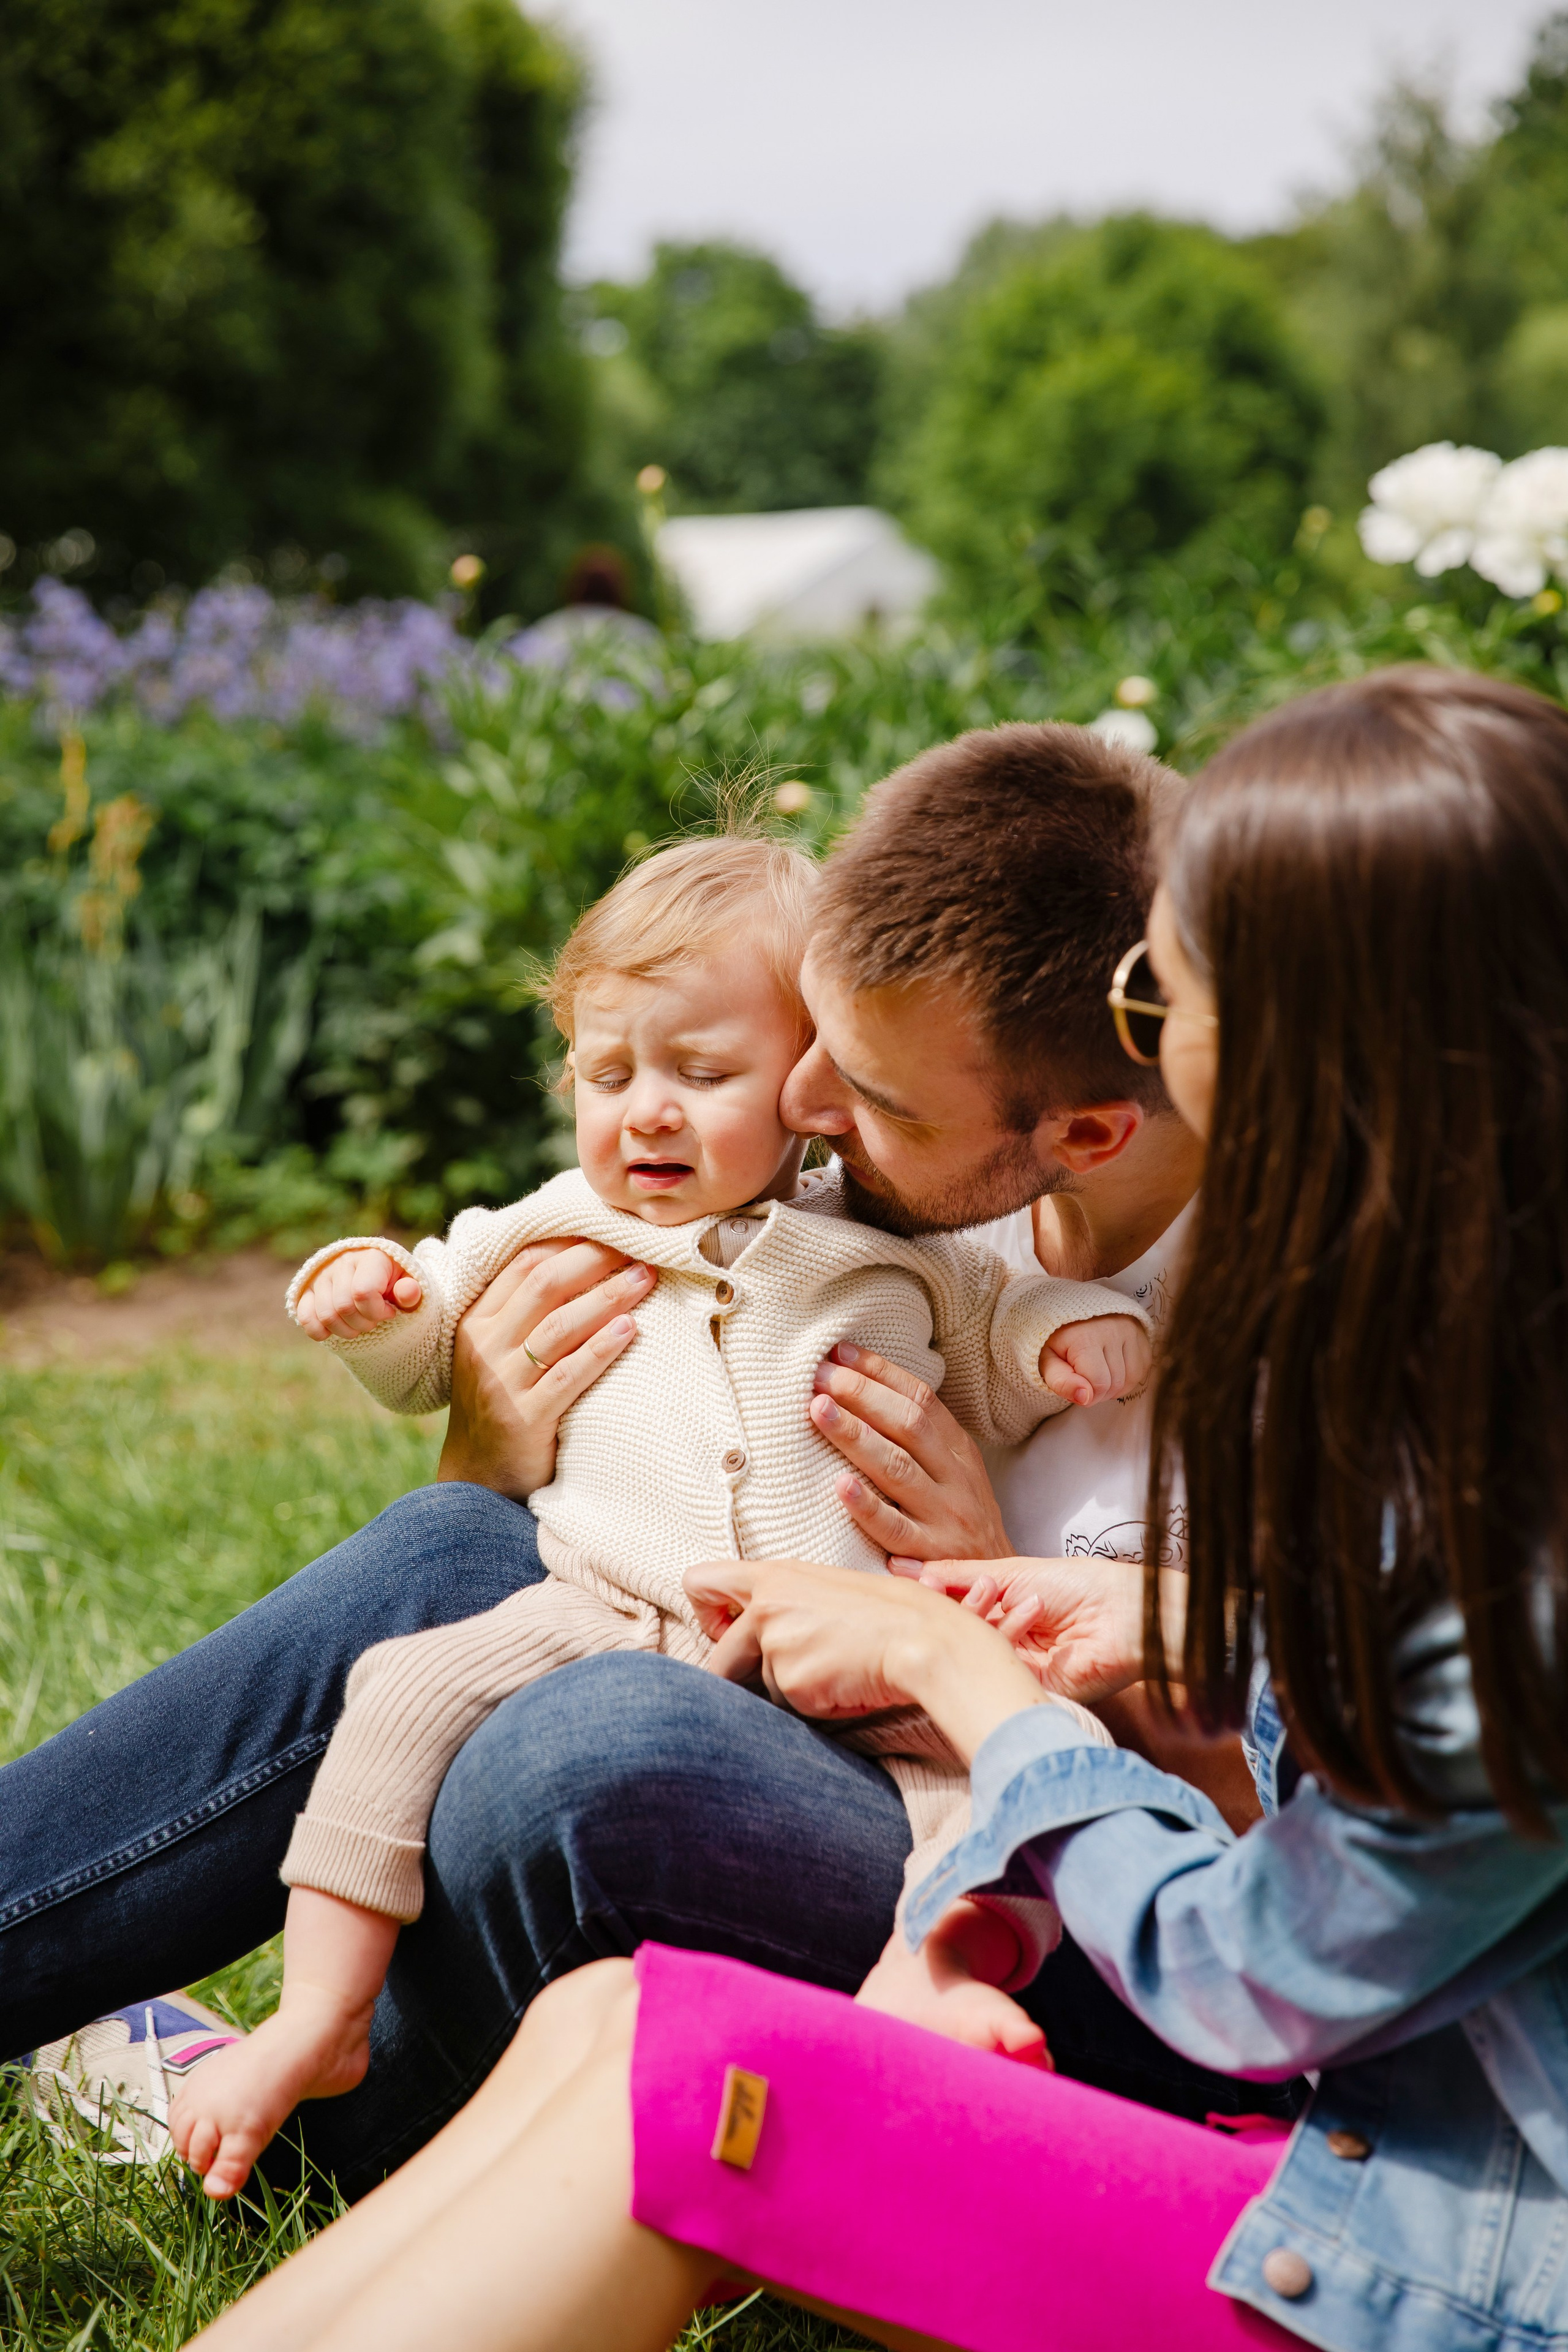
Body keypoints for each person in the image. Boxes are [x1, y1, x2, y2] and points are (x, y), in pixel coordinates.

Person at [193, 663, 1568, 2352]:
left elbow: (1247, 1978)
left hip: (1408, 2263)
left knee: (669, 2053)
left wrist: (979, 1680)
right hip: (1374, 2164)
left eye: (1175, 984)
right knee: (612, 2023)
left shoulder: (1471, 1473)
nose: (1146, 1013)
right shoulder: (1464, 1366)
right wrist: (1173, 1621)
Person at [4, 722, 1240, 2200]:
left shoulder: (1284, 1330)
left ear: (1088, 1130)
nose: (799, 1115)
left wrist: (971, 1611)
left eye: (868, 1097)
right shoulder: (921, 1179)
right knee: (450, 1560)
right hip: (757, 1656)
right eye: (816, 1057)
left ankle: (286, 2131)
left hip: (1077, 1878)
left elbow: (1301, 1799)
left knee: (584, 1747)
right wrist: (486, 1440)